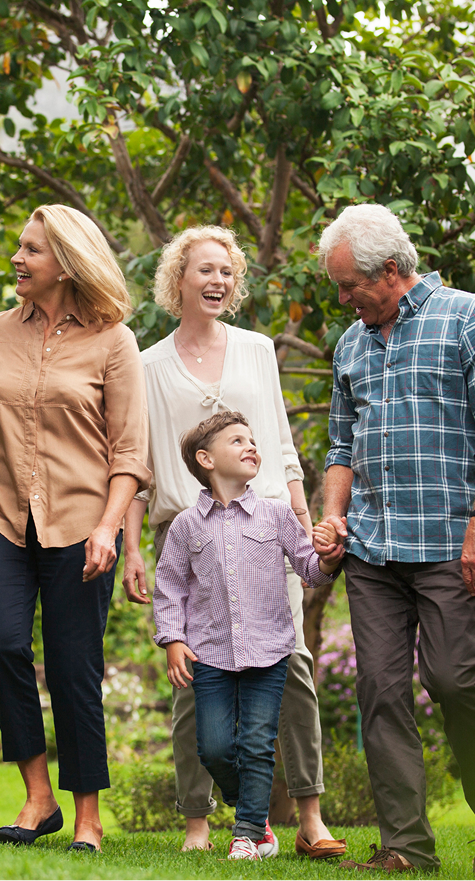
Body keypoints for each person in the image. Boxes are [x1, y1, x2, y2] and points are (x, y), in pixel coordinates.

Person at [119, 227, 346, 859]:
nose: (217, 281)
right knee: (194, 676)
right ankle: (198, 820)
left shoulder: (256, 350)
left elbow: (278, 445)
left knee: (293, 666)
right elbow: (138, 467)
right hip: (185, 531)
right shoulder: (148, 364)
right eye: (205, 271)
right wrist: (134, 548)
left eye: (227, 272)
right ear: (178, 280)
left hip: (266, 528)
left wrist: (303, 521)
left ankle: (309, 815)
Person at [309, 204, 475, 875]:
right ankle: (406, 845)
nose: (343, 299)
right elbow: (341, 445)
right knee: (379, 686)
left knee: (453, 677)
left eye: (349, 286)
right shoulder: (351, 344)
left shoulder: (468, 316)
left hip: (449, 542)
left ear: (392, 272)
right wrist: (334, 515)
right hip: (372, 549)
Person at [0, 205, 147, 853]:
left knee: (73, 665)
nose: (16, 260)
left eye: (30, 250)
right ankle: (37, 794)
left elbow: (129, 452)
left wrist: (110, 527)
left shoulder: (113, 340)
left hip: (84, 523)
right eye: (18, 248)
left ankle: (87, 813)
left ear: (66, 261)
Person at [153, 411, 341, 861]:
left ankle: (249, 833)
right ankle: (255, 815)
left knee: (257, 743)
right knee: (215, 748)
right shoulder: (185, 526)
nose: (251, 446)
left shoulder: (276, 514)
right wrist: (172, 639)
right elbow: (170, 586)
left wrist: (329, 557)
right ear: (206, 459)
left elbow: (309, 570)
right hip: (211, 654)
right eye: (237, 441)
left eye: (252, 440)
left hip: (270, 652)